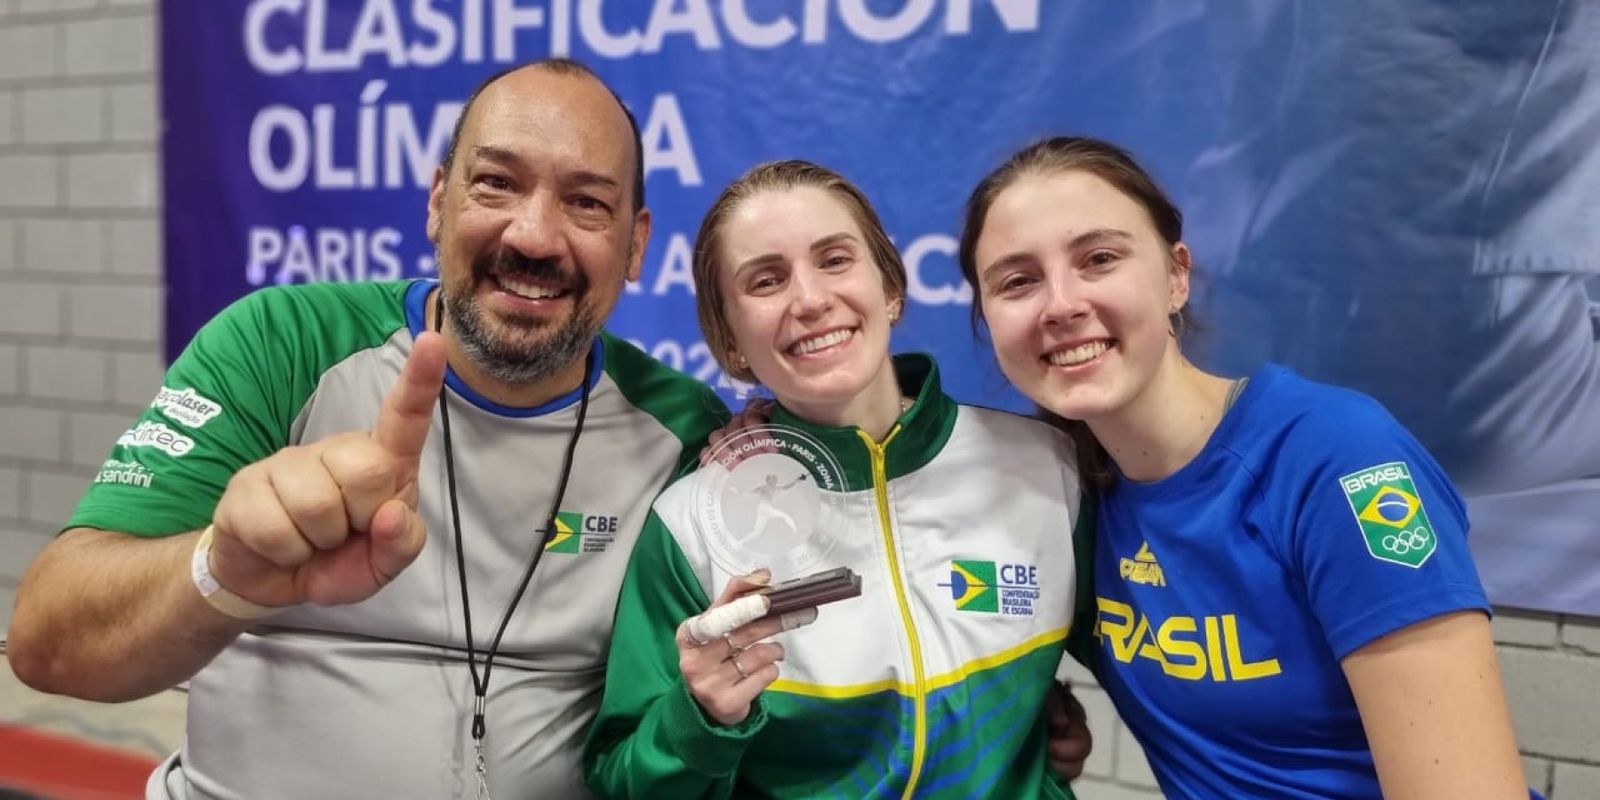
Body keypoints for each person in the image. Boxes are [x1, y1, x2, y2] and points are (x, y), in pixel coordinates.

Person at [4, 59, 729, 799]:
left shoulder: (682, 432)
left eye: (587, 203)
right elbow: (48, 646)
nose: (535, 236)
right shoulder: (281, 346)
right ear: (439, 201)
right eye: (496, 183)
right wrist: (225, 571)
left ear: (635, 245)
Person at [957, 135, 1537, 799]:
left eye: (1099, 259)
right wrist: (1036, 721)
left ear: (1176, 276)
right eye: (1018, 281)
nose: (1061, 304)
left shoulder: (1336, 456)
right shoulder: (1062, 500)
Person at [583, 160, 1092, 799]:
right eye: (766, 280)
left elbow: (1156, 671)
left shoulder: (1045, 467)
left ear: (891, 288)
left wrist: (1050, 724)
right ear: (731, 341)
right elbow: (620, 781)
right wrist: (701, 719)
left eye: (834, 260)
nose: (810, 300)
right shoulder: (692, 525)